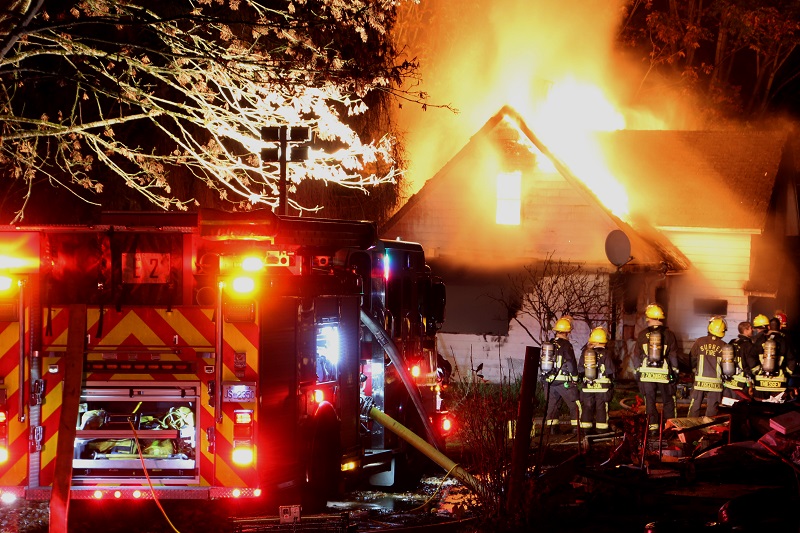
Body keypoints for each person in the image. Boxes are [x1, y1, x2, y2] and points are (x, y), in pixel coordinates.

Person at [633, 303, 680, 433]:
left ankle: (652, 428)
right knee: (668, 400)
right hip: (663, 373)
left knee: (650, 400)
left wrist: (637, 372)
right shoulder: (669, 335)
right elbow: (673, 356)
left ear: (648, 318)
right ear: (661, 318)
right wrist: (675, 372)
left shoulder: (642, 334)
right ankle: (670, 427)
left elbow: (637, 355)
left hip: (646, 373)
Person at [540, 315, 580, 434]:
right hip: (564, 381)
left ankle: (552, 429)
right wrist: (575, 378)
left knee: (552, 406)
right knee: (575, 404)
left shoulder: (550, 344)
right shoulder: (566, 345)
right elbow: (571, 363)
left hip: (550, 381)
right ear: (567, 332)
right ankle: (576, 429)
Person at [578, 326, 615, 435]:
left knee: (587, 406)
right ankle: (601, 429)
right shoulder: (607, 353)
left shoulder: (586, 353)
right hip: (602, 388)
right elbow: (610, 370)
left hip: (588, 386)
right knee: (601, 407)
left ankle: (586, 429)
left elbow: (580, 369)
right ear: (604, 342)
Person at [687, 317, 727, 417]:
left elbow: (692, 358)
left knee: (695, 406)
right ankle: (709, 429)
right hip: (716, 383)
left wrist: (693, 370)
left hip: (700, 381)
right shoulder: (724, 345)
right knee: (712, 409)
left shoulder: (700, 341)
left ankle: (691, 428)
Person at [752, 317, 792, 399]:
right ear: (780, 327)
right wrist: (787, 373)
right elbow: (792, 360)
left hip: (761, 384)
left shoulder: (760, 340)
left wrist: (757, 371)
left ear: (769, 327)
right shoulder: (784, 341)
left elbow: (751, 357)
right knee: (778, 410)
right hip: (779, 385)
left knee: (759, 409)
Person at [723, 321, 756, 400]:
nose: (753, 330)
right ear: (745, 330)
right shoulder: (748, 345)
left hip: (729, 382)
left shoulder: (732, 342)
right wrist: (751, 383)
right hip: (741, 385)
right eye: (751, 328)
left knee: (727, 407)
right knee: (740, 408)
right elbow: (750, 364)